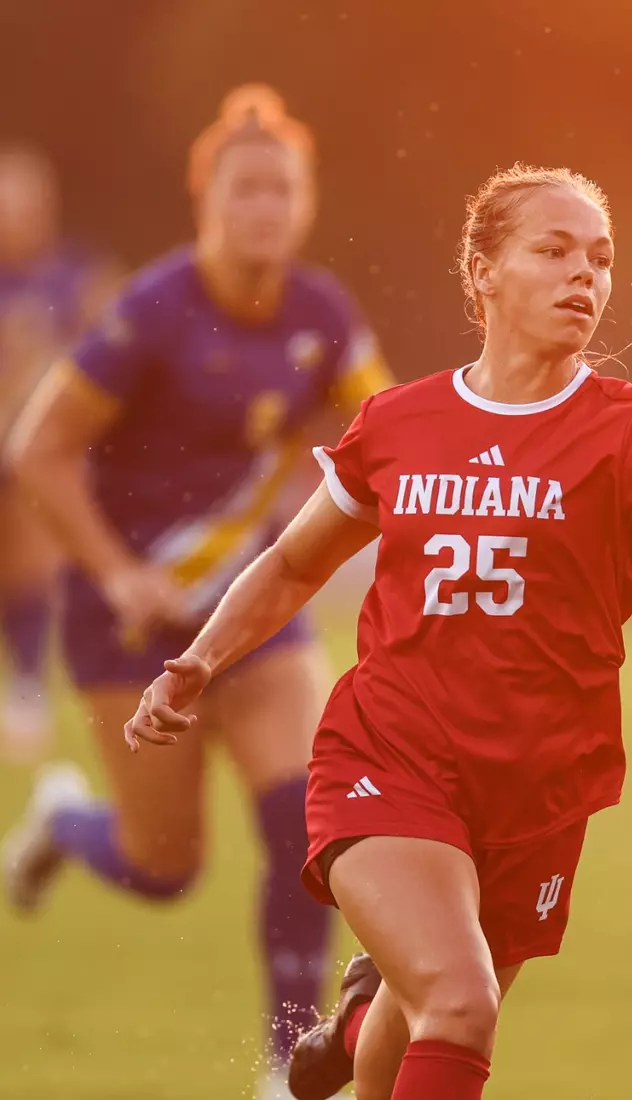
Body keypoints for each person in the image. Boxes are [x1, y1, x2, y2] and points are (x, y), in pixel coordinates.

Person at [121, 164, 632, 1100]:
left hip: (540, 788)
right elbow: (296, 563)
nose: (583, 275)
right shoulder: (399, 421)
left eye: (600, 258)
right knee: (461, 1005)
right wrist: (199, 660)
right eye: (552, 251)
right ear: (483, 273)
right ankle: (367, 1005)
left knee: (422, 1025)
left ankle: (355, 1018)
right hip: (392, 755)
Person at [0, 86, 393, 1099]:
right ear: (206, 198)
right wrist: (117, 570)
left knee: (305, 824)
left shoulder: (323, 313)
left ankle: (290, 1063)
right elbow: (37, 450)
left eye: (282, 188)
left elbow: (393, 442)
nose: (264, 206)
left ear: (304, 202)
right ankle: (63, 822)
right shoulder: (152, 310)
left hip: (251, 612)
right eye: (245, 188)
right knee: (164, 868)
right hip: (127, 624)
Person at [0, 145, 117, 762]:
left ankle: (26, 683)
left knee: (29, 556)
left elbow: (117, 341)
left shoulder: (76, 274)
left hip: (40, 445)